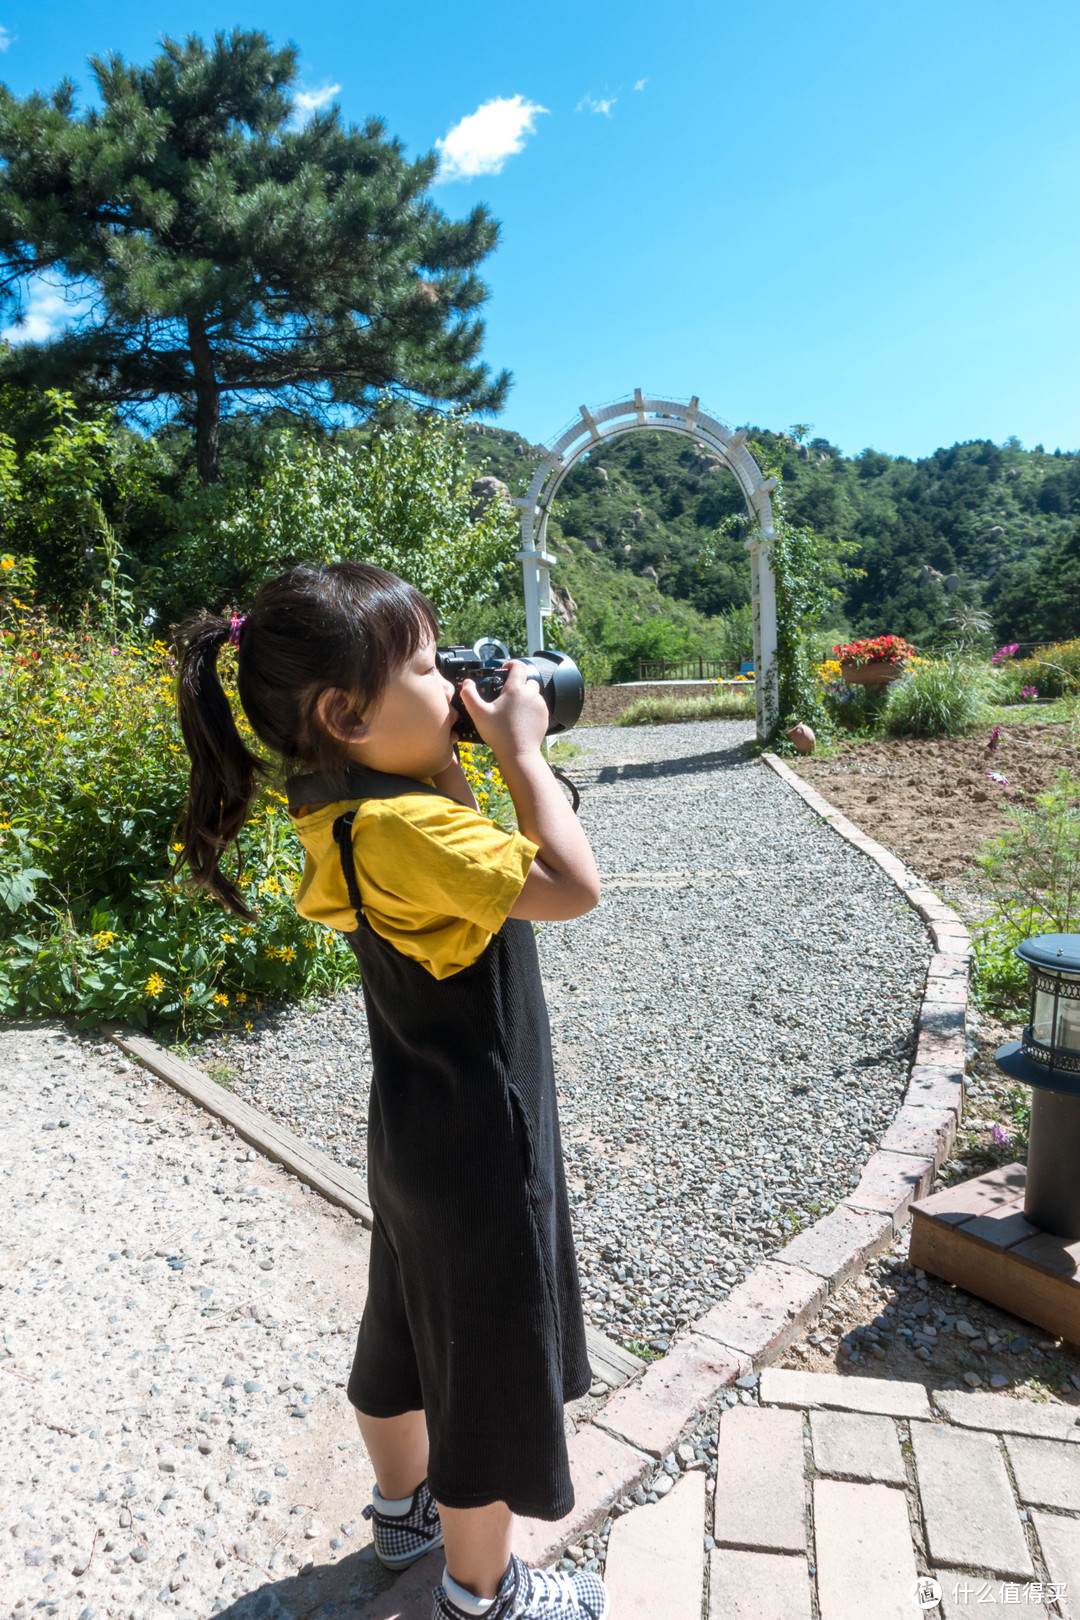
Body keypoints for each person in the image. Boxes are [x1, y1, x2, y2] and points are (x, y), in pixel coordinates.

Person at [175, 561, 608, 1620]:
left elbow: (459, 848)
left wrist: (453, 745)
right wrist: (521, 753)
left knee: (409, 1331)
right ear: (345, 713)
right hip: (485, 1141)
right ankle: (480, 1591)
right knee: (489, 1377)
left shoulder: (346, 808)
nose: (452, 676)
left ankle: (401, 1514)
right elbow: (571, 886)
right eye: (428, 663)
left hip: (415, 1126)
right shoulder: (414, 832)